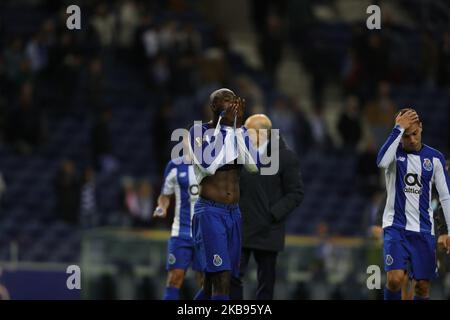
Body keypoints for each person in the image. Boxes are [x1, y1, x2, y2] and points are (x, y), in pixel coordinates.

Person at [188, 88, 260, 300]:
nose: (232, 104)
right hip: (210, 212)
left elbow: (254, 166)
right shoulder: (198, 131)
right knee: (222, 277)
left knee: (215, 281)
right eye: (226, 101)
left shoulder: (240, 132)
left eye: (234, 100)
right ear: (214, 107)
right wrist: (223, 127)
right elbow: (208, 165)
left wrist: (238, 129)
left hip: (234, 214)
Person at [376, 108, 450, 300]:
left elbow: (445, 197)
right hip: (395, 227)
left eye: (415, 134)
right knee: (394, 279)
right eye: (406, 136)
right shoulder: (393, 155)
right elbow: (381, 162)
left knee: (422, 287)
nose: (412, 140)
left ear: (421, 128)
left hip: (424, 230)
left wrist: (449, 231)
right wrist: (398, 128)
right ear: (400, 135)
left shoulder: (435, 158)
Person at [230, 114, 304, 300]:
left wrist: (272, 214)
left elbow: (295, 193)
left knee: (266, 283)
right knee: (232, 277)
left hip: (269, 230)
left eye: (247, 130)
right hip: (241, 226)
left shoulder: (286, 157)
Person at [153, 133, 203, 300]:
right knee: (175, 277)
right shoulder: (174, 166)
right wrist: (162, 207)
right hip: (180, 232)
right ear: (184, 142)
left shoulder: (212, 167)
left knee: (204, 280)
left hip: (205, 233)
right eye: (191, 139)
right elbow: (165, 195)